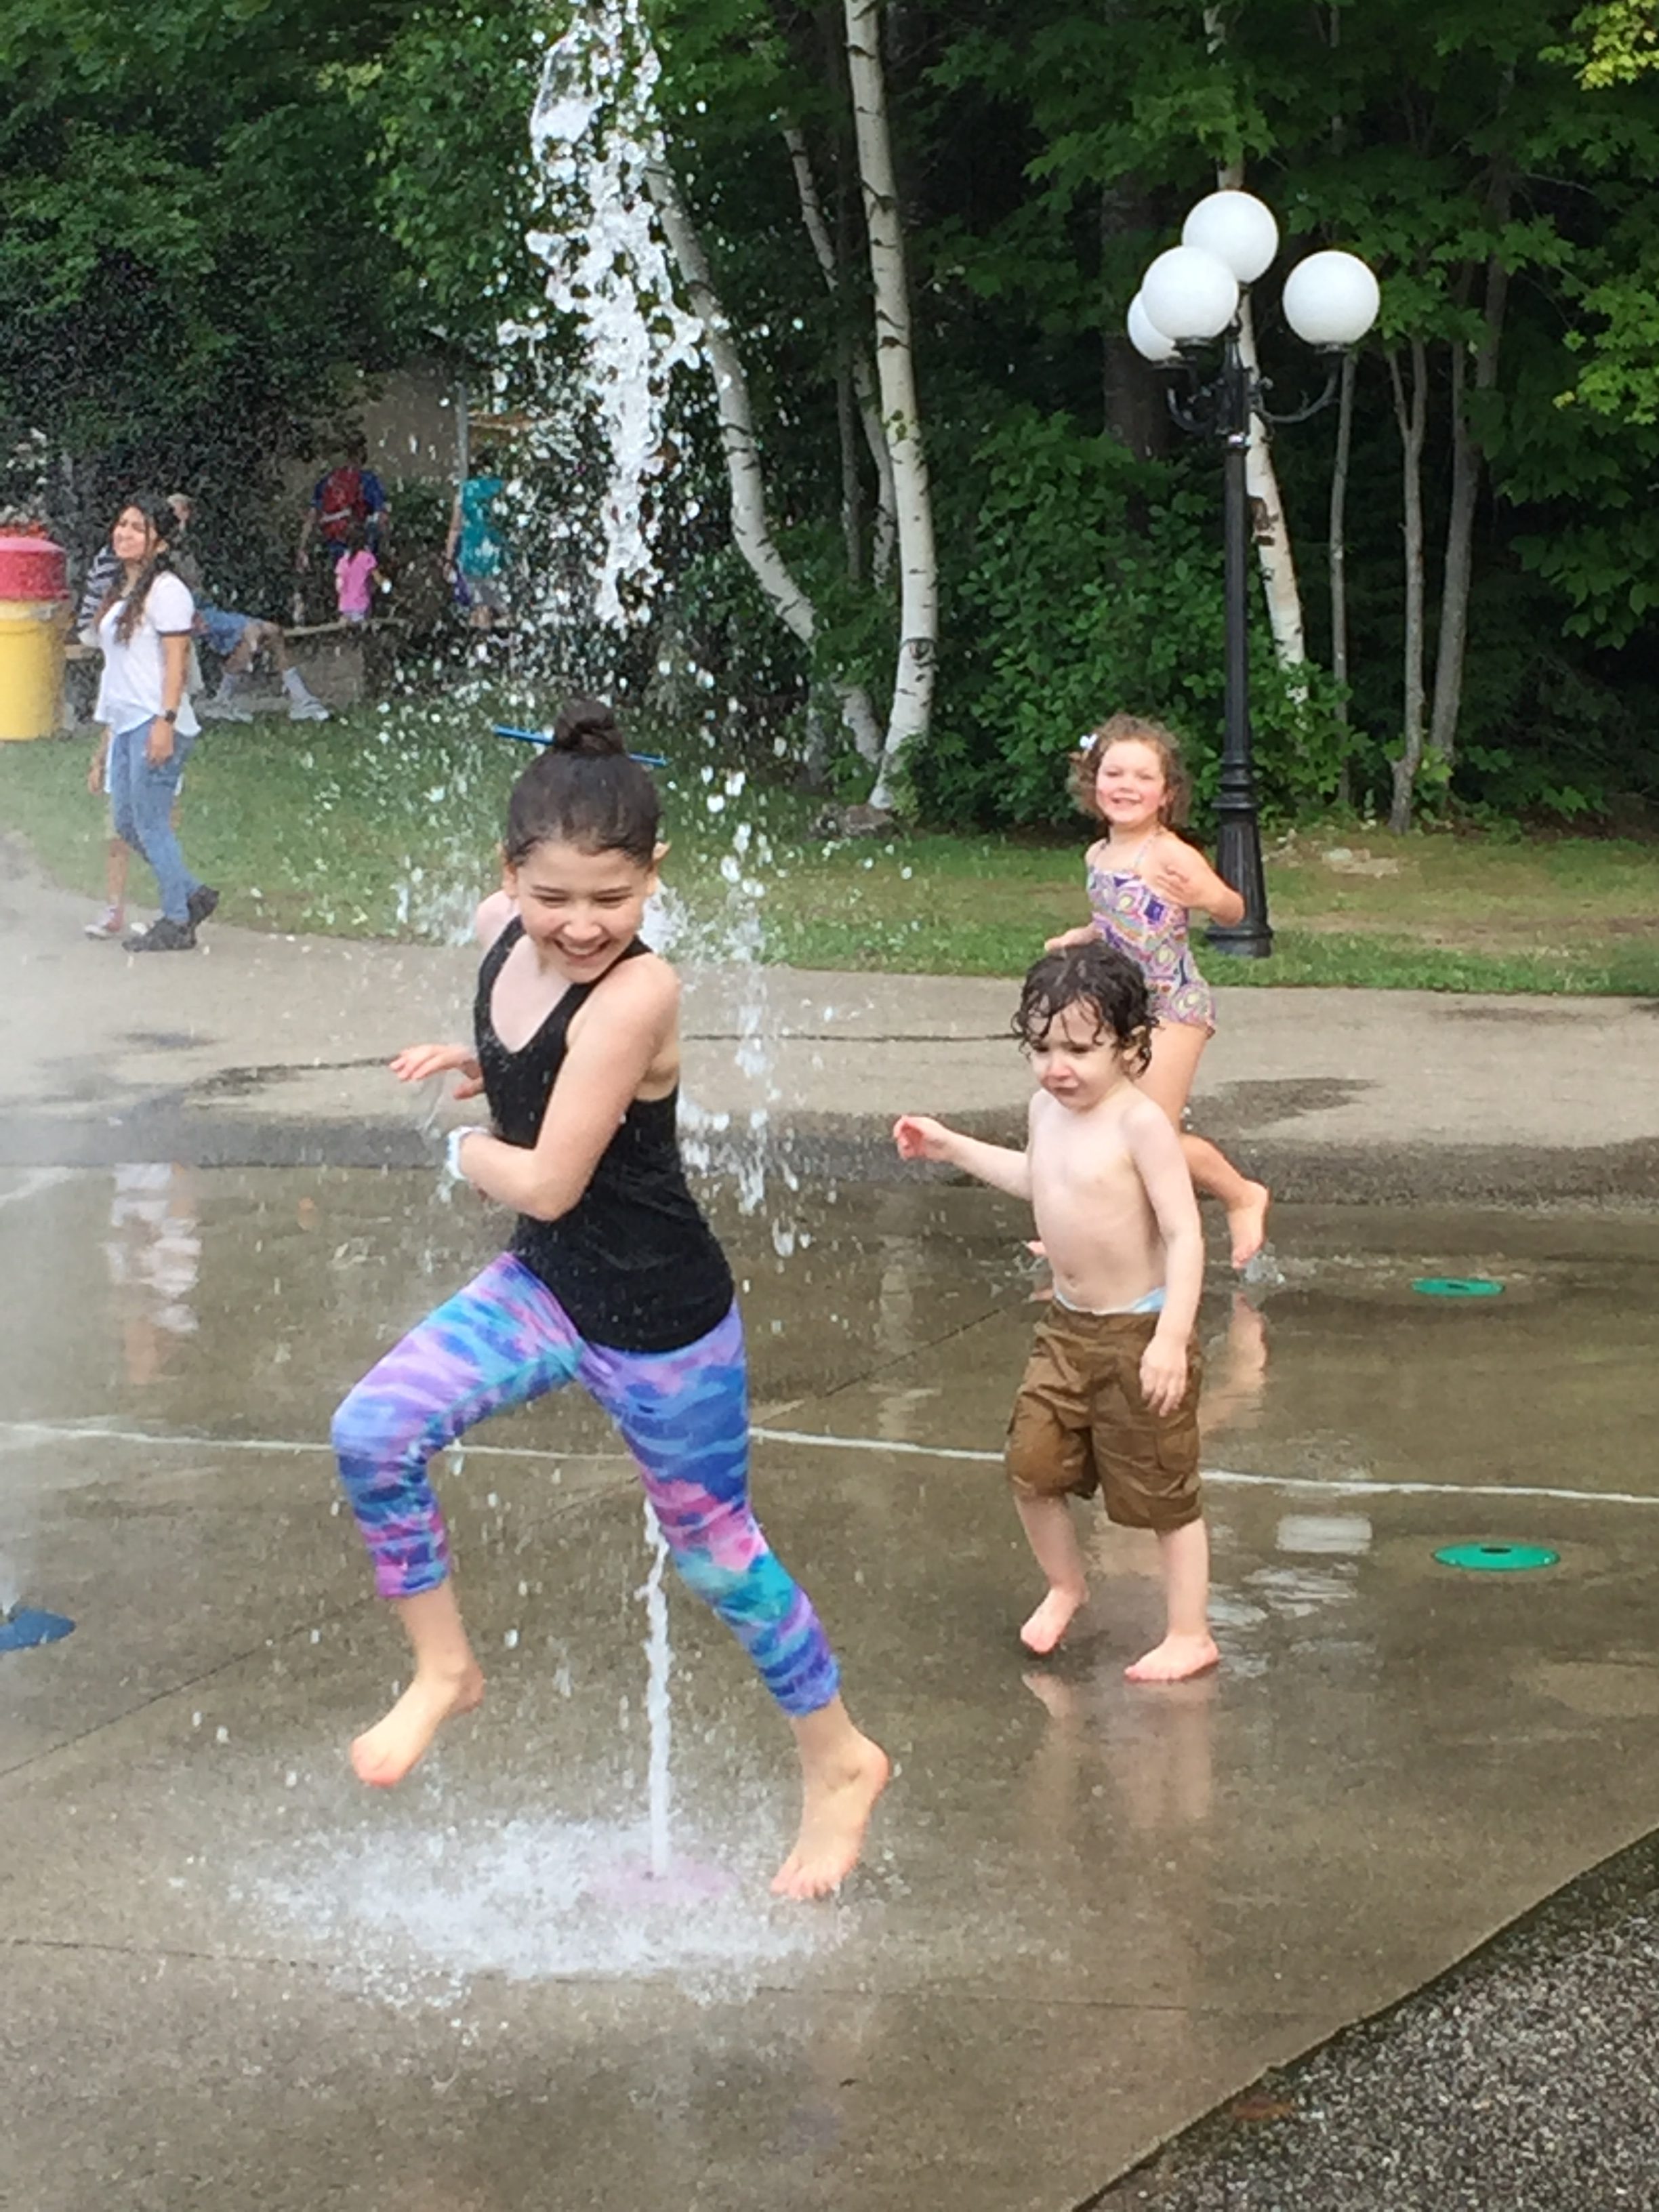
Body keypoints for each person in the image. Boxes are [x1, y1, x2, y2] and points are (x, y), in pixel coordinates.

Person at [329, 699, 890, 1899]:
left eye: (612, 899)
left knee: (715, 1553)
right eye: (555, 897)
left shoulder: (641, 990)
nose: (581, 924)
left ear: (653, 878)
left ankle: (839, 1758)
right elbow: (542, 1054)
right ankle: (444, 1670)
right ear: (509, 874)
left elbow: (541, 1172)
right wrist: (480, 1063)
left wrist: (458, 1143)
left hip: (659, 1316)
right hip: (546, 1283)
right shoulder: (501, 933)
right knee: (371, 1431)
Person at [895, 940, 1217, 1683]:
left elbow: (1184, 1232)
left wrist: (1171, 1337)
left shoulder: (1141, 1125)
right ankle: (1066, 1584)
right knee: (1031, 1466)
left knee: (1163, 1492)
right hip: (1068, 1329)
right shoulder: (1047, 1109)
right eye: (1040, 1047)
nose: (1056, 1066)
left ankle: (1189, 1631)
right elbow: (1035, 1179)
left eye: (1078, 1048)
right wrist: (952, 1147)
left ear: (1133, 1048)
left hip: (1140, 1329)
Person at [1046, 714, 1269, 1269]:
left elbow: (1235, 908)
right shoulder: (1098, 856)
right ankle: (1105, 1233)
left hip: (1175, 1007)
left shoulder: (1167, 853)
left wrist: (1205, 896)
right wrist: (1084, 935)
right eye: (1114, 773)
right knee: (1106, 1124)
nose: (1126, 786)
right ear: (1093, 781)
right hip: (1123, 1011)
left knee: (1154, 1135)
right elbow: (1118, 923)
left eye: (1143, 778)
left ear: (1167, 794)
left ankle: (1242, 1194)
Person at [90, 494, 218, 954]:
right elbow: (116, 670)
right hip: (125, 721)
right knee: (126, 822)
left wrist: (165, 721)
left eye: (137, 528)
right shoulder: (122, 594)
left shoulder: (167, 592)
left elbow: (176, 661)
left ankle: (177, 920)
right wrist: (104, 740)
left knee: (151, 822)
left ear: (158, 542)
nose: (124, 533)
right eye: (121, 524)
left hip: (156, 719)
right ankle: (191, 891)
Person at [163, 492, 329, 722]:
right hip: (190, 615)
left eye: (185, 510)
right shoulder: (164, 551)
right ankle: (224, 699)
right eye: (179, 510)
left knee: (272, 631)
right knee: (254, 632)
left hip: (208, 610)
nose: (184, 515)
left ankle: (299, 698)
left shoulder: (190, 545)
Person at [295, 436, 388, 606]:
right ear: (362, 455)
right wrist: (384, 545)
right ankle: (363, 620)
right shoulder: (368, 480)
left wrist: (302, 548)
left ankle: (336, 616)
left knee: (338, 587)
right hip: (361, 544)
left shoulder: (328, 481)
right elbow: (382, 516)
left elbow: (312, 516)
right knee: (362, 587)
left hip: (333, 543)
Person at [445, 447, 509, 629]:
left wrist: (449, 559)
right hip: (496, 553)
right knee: (498, 600)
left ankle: (479, 634)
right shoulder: (503, 488)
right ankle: (496, 630)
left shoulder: (465, 492)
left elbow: (455, 528)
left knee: (478, 602)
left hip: (470, 554)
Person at [332, 520, 379, 626]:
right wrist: (387, 586)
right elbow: (378, 578)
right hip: (361, 605)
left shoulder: (343, 561)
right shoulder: (367, 558)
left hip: (345, 606)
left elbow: (339, 585)